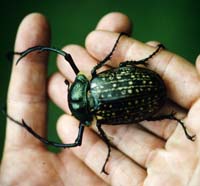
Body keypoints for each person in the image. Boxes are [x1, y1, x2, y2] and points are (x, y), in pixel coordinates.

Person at [0, 12, 200, 186]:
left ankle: (172, 117)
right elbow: (71, 56)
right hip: (148, 85)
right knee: (122, 69)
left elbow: (83, 139)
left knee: (142, 113)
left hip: (151, 100)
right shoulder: (94, 81)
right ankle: (171, 114)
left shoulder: (101, 119)